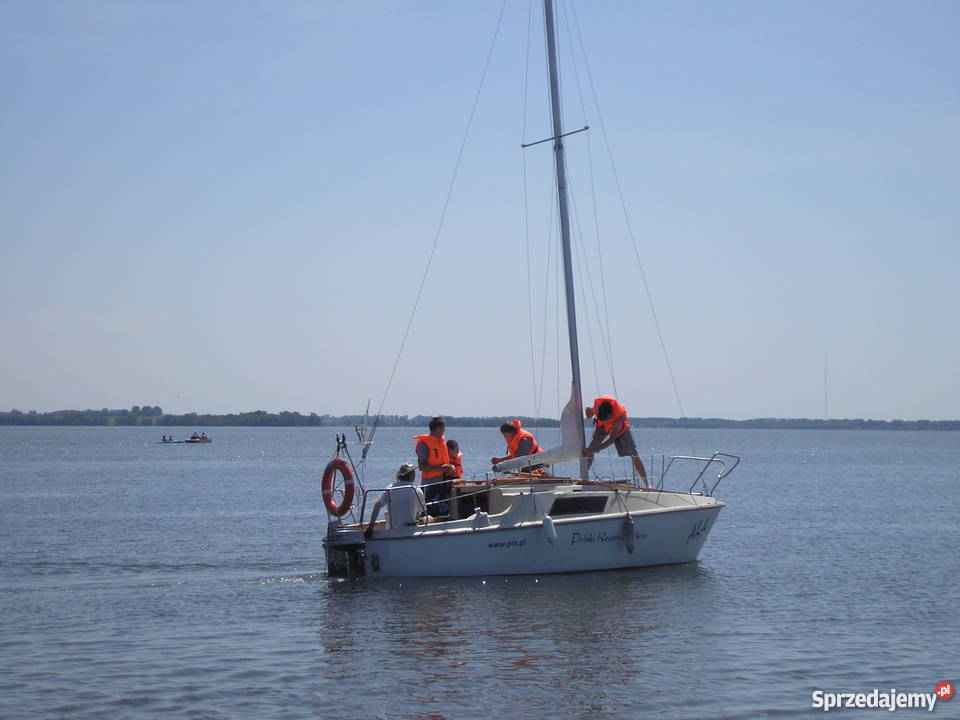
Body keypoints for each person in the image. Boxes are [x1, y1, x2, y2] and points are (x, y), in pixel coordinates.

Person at [585, 395, 648, 486]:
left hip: (621, 431)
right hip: (602, 426)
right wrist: (588, 416)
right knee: (590, 450)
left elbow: (611, 440)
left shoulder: (618, 419)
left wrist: (596, 449)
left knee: (634, 454)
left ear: (610, 415)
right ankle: (583, 477)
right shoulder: (597, 408)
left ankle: (646, 483)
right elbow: (589, 415)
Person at [364, 463, 427, 538]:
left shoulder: (390, 489)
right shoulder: (417, 490)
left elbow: (377, 505)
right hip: (410, 531)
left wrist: (371, 525)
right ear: (412, 476)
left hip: (393, 531)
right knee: (429, 518)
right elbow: (418, 514)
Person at [413, 416, 455, 518]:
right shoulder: (424, 443)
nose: (444, 430)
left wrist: (450, 468)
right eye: (443, 428)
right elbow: (422, 467)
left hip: (442, 482)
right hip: (430, 485)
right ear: (437, 429)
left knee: (444, 514)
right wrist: (442, 468)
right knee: (430, 514)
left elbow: (443, 463)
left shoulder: (441, 442)